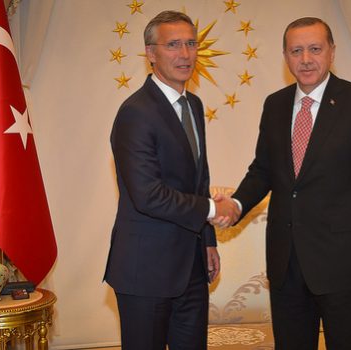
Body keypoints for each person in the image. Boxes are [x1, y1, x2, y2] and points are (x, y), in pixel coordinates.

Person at [222, 17, 351, 350]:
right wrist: (237, 203)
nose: (305, 59)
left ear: (332, 52)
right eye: (296, 51)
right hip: (286, 262)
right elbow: (263, 170)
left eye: (315, 49)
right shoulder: (275, 105)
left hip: (344, 263)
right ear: (285, 57)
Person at [104, 10, 240, 350]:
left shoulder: (193, 105)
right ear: (151, 54)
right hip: (146, 270)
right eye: (173, 45)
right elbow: (148, 195)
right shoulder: (135, 112)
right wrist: (212, 209)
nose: (185, 54)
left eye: (191, 44)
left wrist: (208, 240)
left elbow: (198, 179)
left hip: (192, 267)